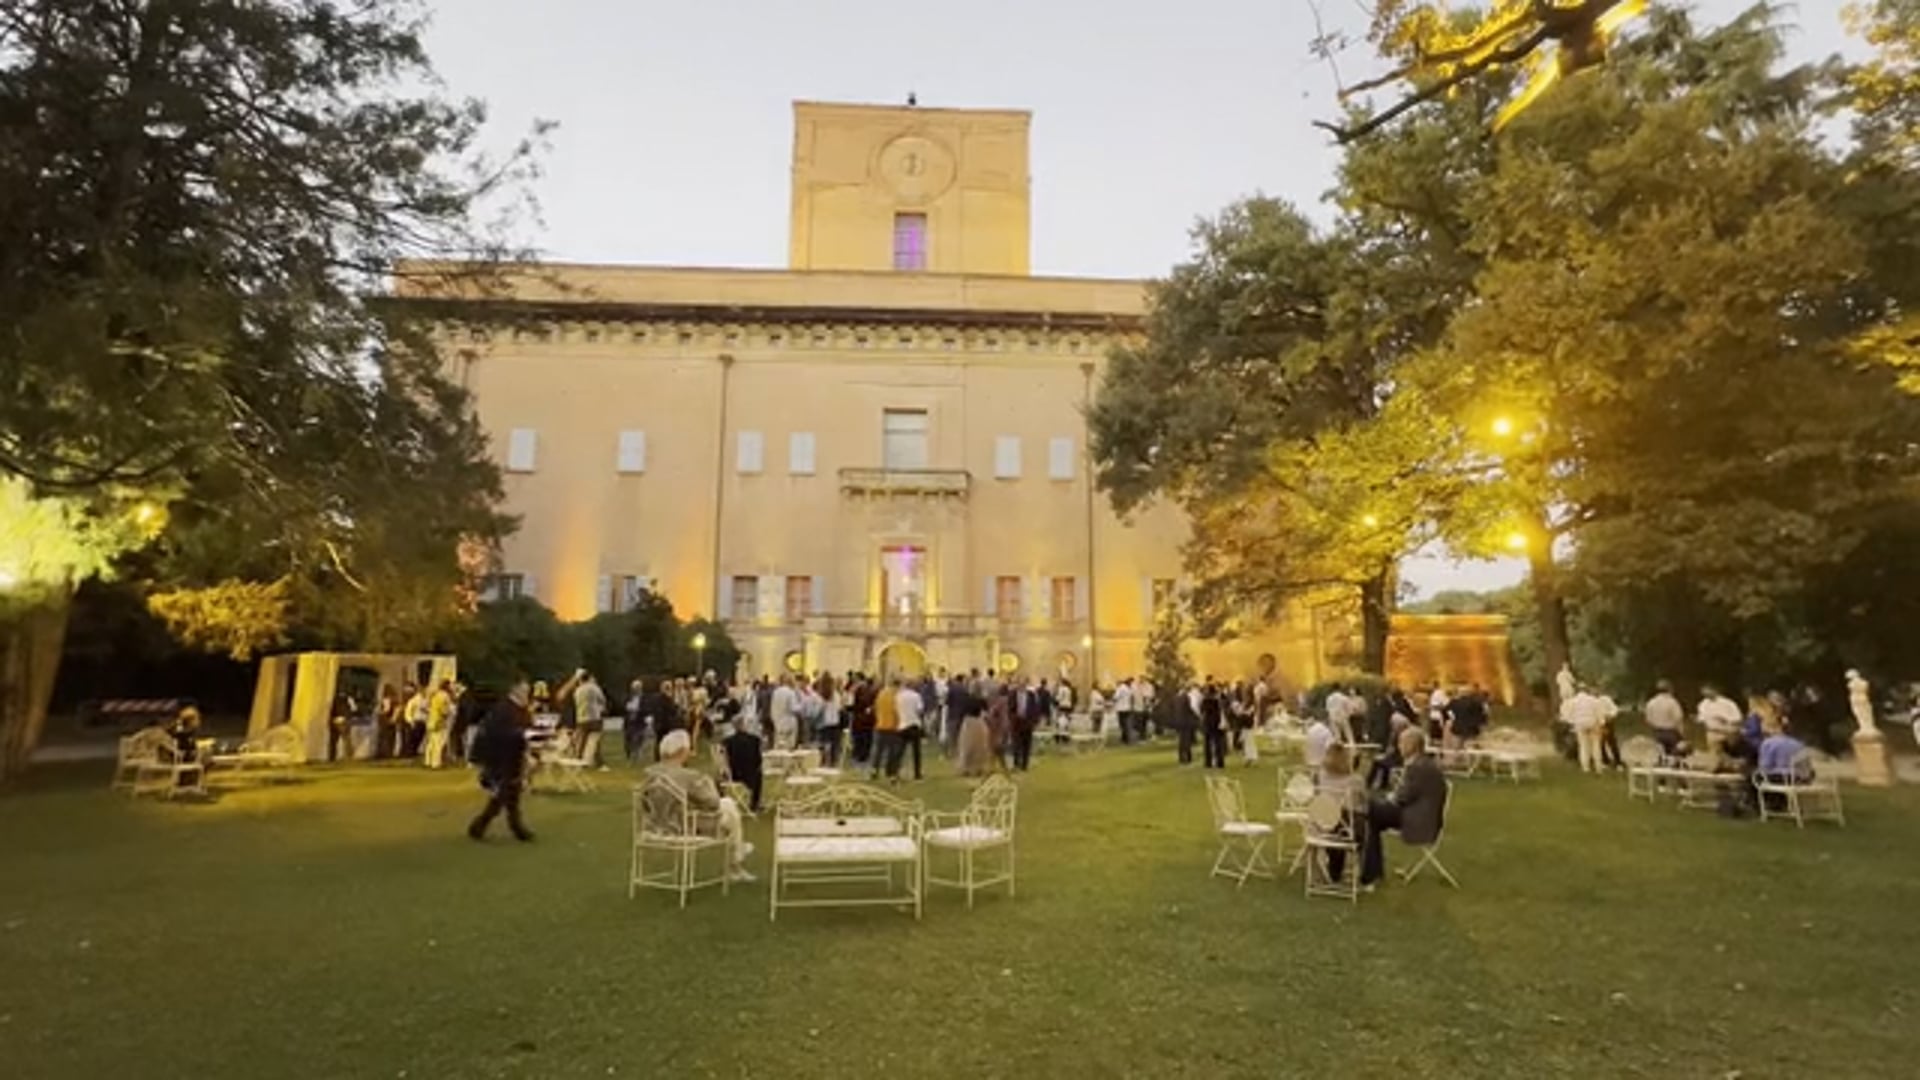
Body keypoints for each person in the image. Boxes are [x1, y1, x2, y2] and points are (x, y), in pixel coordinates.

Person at [643, 730, 753, 881]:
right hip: (682, 829)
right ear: (682, 751)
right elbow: (712, 803)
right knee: (728, 806)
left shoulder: (649, 775)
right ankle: (736, 862)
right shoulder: (688, 776)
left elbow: (644, 803)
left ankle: (738, 853)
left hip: (653, 827)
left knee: (727, 808)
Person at [1360, 728, 1446, 889]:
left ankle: (1370, 873)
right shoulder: (1424, 763)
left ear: (1411, 745)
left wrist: (1389, 798)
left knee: (1369, 810)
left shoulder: (1418, 767)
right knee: (1372, 819)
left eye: (1401, 742)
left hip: (1418, 819)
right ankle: (1371, 873)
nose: (1398, 746)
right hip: (1419, 813)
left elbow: (1403, 797)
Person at [468, 680, 535, 842]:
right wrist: (521, 734)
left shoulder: (520, 709)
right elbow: (497, 733)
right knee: (505, 792)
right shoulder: (503, 709)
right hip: (500, 758)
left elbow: (526, 727)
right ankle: (482, 825)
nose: (528, 694)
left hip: (513, 756)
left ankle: (513, 827)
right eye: (525, 691)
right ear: (515, 690)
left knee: (511, 793)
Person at [1315, 744, 1366, 883]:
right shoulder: (1356, 780)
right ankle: (1367, 871)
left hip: (1323, 827)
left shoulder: (1320, 776)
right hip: (1347, 829)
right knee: (1365, 826)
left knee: (1335, 819)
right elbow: (1363, 802)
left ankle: (1334, 871)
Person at [719, 720, 765, 813]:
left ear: (735, 728)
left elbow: (722, 754)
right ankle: (754, 804)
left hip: (733, 775)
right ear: (745, 727)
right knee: (759, 774)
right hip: (750, 776)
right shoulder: (754, 739)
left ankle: (721, 802)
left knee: (718, 779)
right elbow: (759, 760)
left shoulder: (728, 741)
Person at [1563, 685, 1604, 775]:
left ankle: (1586, 767)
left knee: (1583, 746)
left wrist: (1573, 722)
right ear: (1587, 691)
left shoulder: (1573, 701)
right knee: (1596, 745)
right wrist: (1601, 723)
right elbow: (1599, 713)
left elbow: (1567, 716)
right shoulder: (1593, 700)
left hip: (1580, 724)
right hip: (1592, 723)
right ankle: (1598, 766)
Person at [572, 673, 607, 768]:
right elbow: (602, 700)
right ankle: (599, 762)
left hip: (581, 718)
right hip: (594, 717)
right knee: (595, 741)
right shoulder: (594, 688)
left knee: (581, 742)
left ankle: (579, 760)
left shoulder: (578, 690)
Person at [894, 677, 925, 781]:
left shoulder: (898, 696)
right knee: (916, 752)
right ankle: (917, 773)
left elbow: (896, 709)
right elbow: (920, 710)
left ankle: (896, 772)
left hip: (902, 724)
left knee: (900, 751)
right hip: (914, 724)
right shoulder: (916, 696)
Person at [1644, 680, 1685, 759]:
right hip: (1671, 732)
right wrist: (1681, 733)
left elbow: (1648, 719)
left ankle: (1663, 760)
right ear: (1669, 689)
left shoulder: (1651, 702)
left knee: (1661, 752)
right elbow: (1678, 718)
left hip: (1657, 732)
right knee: (1674, 754)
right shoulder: (1672, 702)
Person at [423, 679, 454, 769]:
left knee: (431, 742)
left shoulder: (435, 694)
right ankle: (436, 763)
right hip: (439, 720)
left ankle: (428, 761)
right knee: (439, 742)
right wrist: (447, 713)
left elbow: (427, 706)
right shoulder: (445, 696)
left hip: (431, 719)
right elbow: (444, 709)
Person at [1200, 678, 1228, 769]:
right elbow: (1221, 711)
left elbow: (1202, 711)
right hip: (1216, 723)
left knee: (1207, 744)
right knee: (1218, 743)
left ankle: (1208, 762)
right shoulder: (1217, 700)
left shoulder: (1205, 700)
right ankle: (1220, 762)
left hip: (1207, 723)